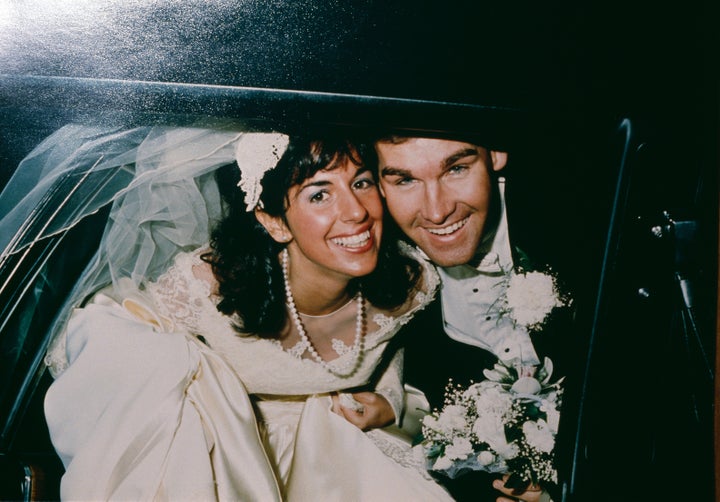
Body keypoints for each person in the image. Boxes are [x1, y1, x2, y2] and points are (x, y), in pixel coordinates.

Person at [40, 126, 453, 500]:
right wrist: (192, 383)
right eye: (319, 194)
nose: (356, 212)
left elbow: (386, 350)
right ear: (274, 222)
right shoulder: (211, 283)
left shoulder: (411, 281)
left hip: (333, 456)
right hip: (223, 464)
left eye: (361, 182)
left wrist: (389, 399)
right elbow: (102, 327)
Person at [371, 136, 567, 502]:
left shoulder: (573, 218)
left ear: (496, 152)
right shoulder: (380, 271)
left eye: (456, 169)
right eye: (405, 180)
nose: (436, 211)